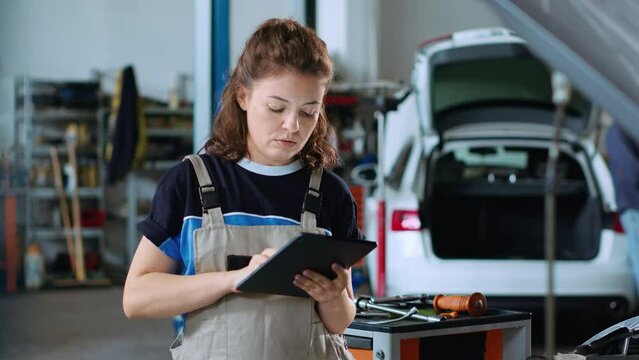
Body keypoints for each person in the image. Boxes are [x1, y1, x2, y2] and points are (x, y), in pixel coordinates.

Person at [122, 18, 361, 359]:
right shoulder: (190, 183)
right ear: (243, 97)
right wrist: (234, 279)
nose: (292, 126)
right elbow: (137, 297)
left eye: (308, 112)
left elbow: (340, 323)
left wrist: (333, 297)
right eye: (276, 107)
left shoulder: (331, 195)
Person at [606, 122, 639, 295]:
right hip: (633, 203)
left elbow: (627, 172)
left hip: (632, 203)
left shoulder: (619, 130)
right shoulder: (622, 128)